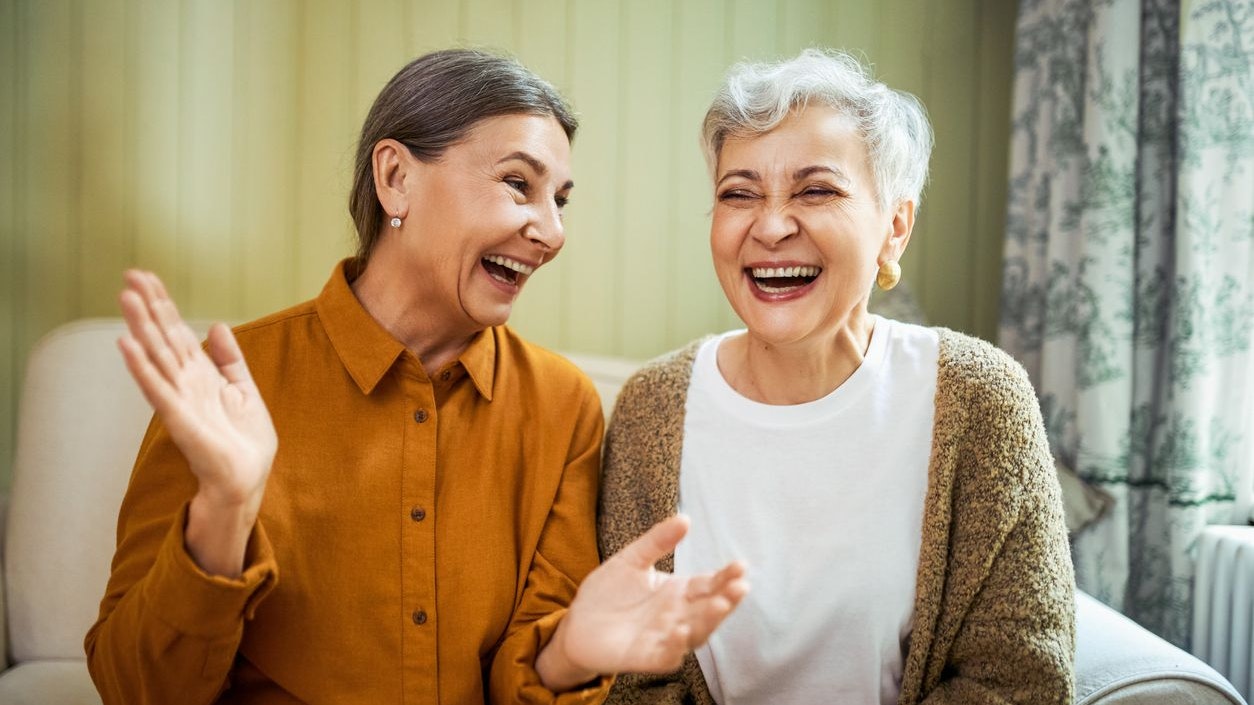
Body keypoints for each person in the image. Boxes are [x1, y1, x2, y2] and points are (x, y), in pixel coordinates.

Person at [85, 49, 747, 705]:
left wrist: (570, 650)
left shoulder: (561, 405)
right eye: (519, 183)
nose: (551, 231)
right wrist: (225, 508)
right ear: (396, 177)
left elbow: (525, 673)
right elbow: (133, 687)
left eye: (561, 200)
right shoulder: (230, 384)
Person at [598, 48, 1075, 705]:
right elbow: (631, 682)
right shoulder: (652, 405)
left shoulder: (981, 396)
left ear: (894, 228)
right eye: (738, 194)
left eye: (814, 189)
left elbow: (1019, 682)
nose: (769, 226)